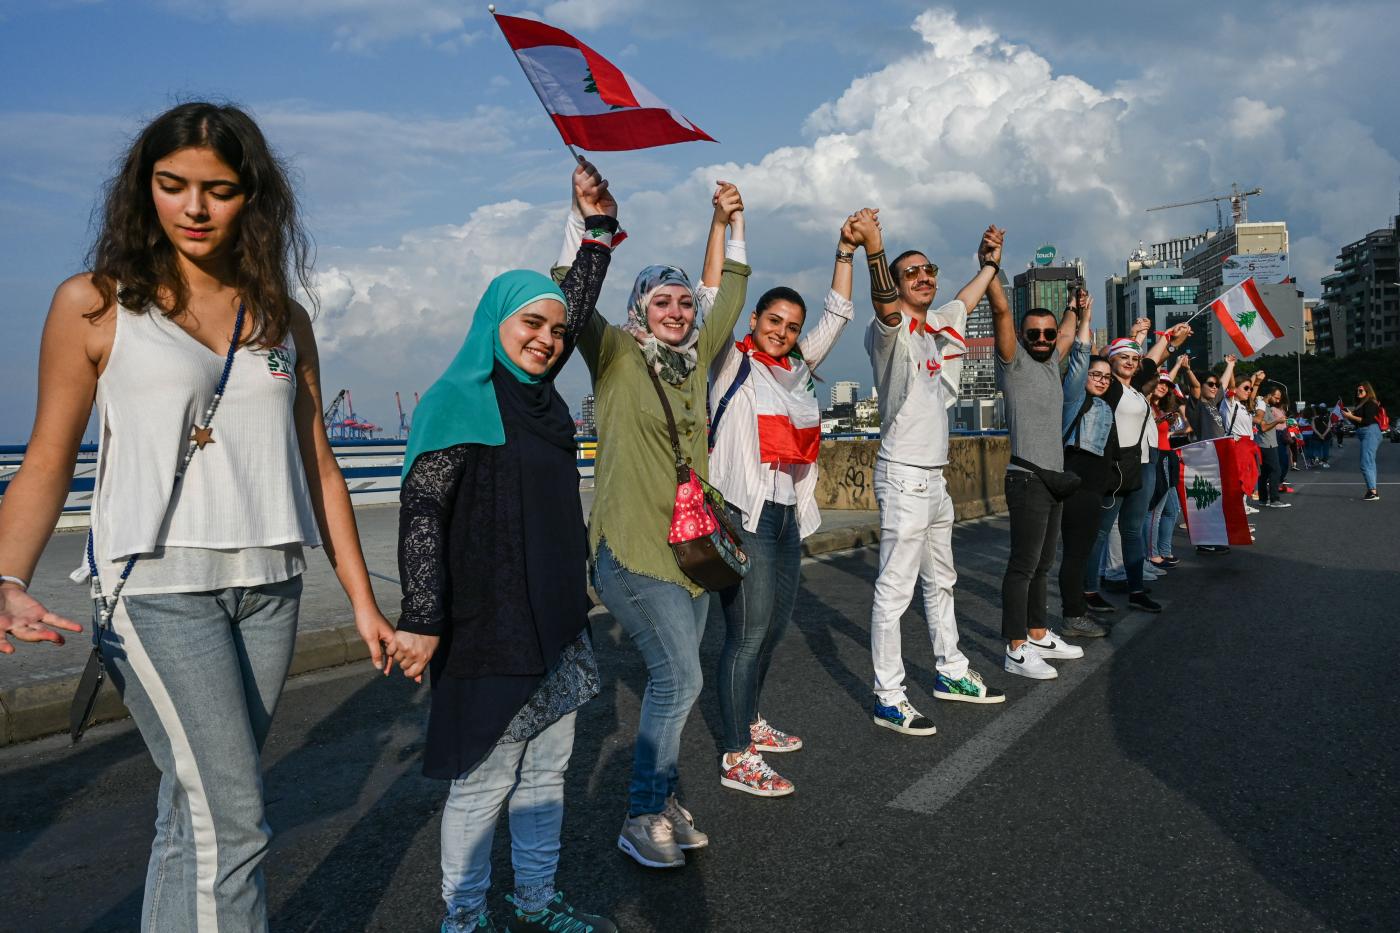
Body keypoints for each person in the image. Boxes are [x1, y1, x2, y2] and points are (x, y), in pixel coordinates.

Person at [0, 102, 399, 931]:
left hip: (270, 589)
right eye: (172, 185)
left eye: (217, 190)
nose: (193, 207)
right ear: (144, 189)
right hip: (156, 590)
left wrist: (362, 600)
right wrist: (7, 575)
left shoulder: (281, 318)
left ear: (251, 197)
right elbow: (47, 455)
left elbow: (319, 465)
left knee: (197, 816)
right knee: (237, 821)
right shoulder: (96, 303)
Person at [395, 162, 619, 933]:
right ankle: (462, 917)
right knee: (485, 777)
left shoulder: (543, 401)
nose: (548, 339)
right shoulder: (457, 397)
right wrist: (421, 615)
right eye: (531, 324)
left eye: (558, 331)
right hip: (488, 623)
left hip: (557, 613)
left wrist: (595, 234)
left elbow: (570, 304)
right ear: (495, 320)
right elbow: (422, 509)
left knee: (548, 771)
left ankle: (536, 900)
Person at [580, 181, 750, 869]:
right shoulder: (617, 356)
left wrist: (731, 222)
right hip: (629, 550)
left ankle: (668, 798)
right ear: (638, 310)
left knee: (672, 683)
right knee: (681, 678)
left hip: (692, 554)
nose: (677, 311)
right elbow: (573, 301)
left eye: (683, 301)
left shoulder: (691, 364)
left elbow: (729, 294)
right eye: (662, 302)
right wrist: (589, 222)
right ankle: (643, 811)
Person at [707, 211, 864, 796]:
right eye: (773, 320)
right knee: (746, 636)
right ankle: (734, 753)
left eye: (792, 325)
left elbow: (839, 316)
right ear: (754, 320)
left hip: (785, 514)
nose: (783, 330)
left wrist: (843, 251)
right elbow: (716, 294)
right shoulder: (732, 362)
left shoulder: (796, 370)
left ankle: (748, 719)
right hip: (744, 516)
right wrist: (728, 225)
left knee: (772, 629)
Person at [856, 214, 1007, 735]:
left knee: (942, 581)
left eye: (928, 269)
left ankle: (950, 671)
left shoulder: (939, 322)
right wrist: (876, 250)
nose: (923, 276)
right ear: (896, 285)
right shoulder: (889, 333)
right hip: (902, 476)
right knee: (894, 590)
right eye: (910, 272)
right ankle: (888, 694)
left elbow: (965, 300)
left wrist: (988, 265)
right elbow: (881, 303)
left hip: (936, 478)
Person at [993, 266, 1085, 681]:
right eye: (1036, 335)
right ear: (1024, 337)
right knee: (1023, 565)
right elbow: (1001, 314)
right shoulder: (1014, 364)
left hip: (1053, 480)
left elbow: (1067, 330)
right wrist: (992, 267)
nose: (1045, 340)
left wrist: (1073, 308)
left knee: (1045, 562)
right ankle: (1015, 647)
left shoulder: (1052, 365)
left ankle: (1039, 632)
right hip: (1027, 478)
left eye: (1049, 334)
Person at [1081, 319, 1183, 615]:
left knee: (1132, 530)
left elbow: (1148, 364)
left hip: (1140, 465)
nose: (1129, 362)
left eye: (1133, 359)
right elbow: (1149, 362)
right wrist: (1157, 339)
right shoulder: (1110, 388)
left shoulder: (1137, 391)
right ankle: (1089, 591)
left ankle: (1136, 590)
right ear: (1110, 362)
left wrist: (1169, 340)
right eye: (1122, 357)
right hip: (1114, 468)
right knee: (1100, 532)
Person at [1057, 303, 1115, 639]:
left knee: (1083, 551)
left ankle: (1078, 607)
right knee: (1076, 554)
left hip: (1094, 491)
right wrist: (1084, 321)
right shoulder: (1076, 399)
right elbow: (1080, 358)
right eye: (1097, 375)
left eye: (1106, 377)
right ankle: (1073, 616)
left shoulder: (1105, 405)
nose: (1103, 380)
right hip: (1076, 488)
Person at [1341, 382, 1383, 500]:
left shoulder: (1370, 402)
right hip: (1367, 432)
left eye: (1361, 391)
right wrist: (1349, 416)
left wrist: (1350, 416)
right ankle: (1373, 490)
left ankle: (1373, 492)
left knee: (1365, 463)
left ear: (1367, 392)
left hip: (1370, 431)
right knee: (1370, 462)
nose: (1358, 392)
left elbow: (1367, 420)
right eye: (1357, 391)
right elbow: (1358, 422)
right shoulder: (1360, 404)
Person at [1254, 383, 1288, 509]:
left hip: (1266, 443)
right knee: (1276, 470)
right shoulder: (1261, 407)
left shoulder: (1266, 406)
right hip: (1266, 444)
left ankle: (1263, 499)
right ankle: (1274, 499)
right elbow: (1263, 427)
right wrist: (1277, 421)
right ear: (1269, 395)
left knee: (1264, 473)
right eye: (1277, 397)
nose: (1278, 400)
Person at [1311, 404, 1332, 468]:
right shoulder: (1328, 418)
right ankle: (1325, 462)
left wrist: (1319, 435)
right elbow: (1329, 427)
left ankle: (1317, 458)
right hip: (1326, 436)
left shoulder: (1314, 418)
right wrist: (1323, 435)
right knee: (1326, 449)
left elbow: (1313, 428)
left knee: (1317, 448)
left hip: (1316, 436)